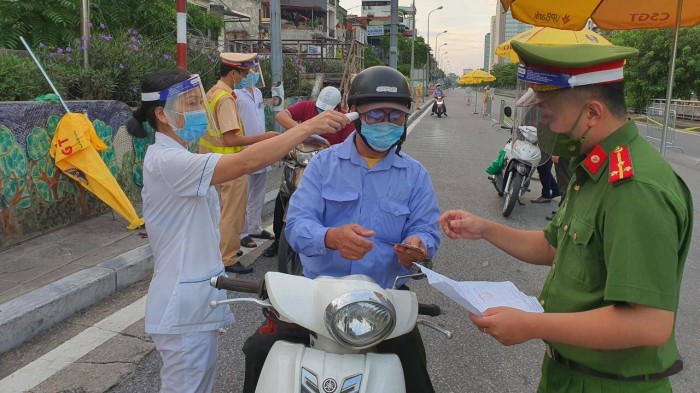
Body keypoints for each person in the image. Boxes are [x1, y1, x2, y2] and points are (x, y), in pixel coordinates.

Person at [439, 41, 692, 392]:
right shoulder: (594, 167)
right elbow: (552, 247)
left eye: (548, 115)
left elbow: (649, 323)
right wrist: (484, 229)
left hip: (612, 385)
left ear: (592, 113)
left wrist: (532, 325)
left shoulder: (636, 188)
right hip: (569, 375)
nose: (544, 126)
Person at [127, 69, 349, 393]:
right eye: (191, 104)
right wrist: (308, 128)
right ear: (162, 113)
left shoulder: (177, 155)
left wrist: (274, 139)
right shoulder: (167, 161)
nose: (200, 110)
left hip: (195, 302)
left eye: (197, 102)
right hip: (181, 307)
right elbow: (243, 163)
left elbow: (244, 156)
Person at [243, 66, 442, 393]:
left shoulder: (415, 175)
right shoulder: (324, 164)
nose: (386, 124)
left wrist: (419, 245)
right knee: (259, 351)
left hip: (383, 300)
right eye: (376, 114)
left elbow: (427, 229)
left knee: (415, 374)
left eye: (396, 116)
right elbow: (296, 225)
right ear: (357, 115)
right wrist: (330, 238)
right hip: (316, 296)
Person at [198, 53, 278, 274]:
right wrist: (264, 138)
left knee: (221, 211)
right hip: (229, 162)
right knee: (232, 212)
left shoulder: (213, 92)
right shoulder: (225, 99)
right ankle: (228, 258)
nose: (246, 77)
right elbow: (230, 138)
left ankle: (222, 251)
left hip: (214, 161)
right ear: (233, 73)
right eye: (243, 73)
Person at [262, 86, 355, 257]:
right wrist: (304, 131)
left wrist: (330, 148)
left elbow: (349, 146)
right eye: (319, 109)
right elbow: (281, 116)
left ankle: (323, 239)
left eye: (325, 110)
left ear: (337, 108)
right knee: (282, 198)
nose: (320, 113)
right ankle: (277, 242)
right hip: (300, 165)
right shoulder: (307, 107)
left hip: (327, 170)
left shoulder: (344, 120)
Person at [234, 67, 275, 249]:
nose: (253, 74)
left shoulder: (258, 92)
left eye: (254, 70)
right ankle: (241, 232)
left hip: (261, 148)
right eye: (249, 70)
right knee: (243, 193)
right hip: (244, 149)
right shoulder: (235, 94)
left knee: (259, 190)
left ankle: (255, 227)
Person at [546, 155, 572, 221]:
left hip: (564, 153)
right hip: (569, 153)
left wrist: (557, 153)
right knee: (567, 181)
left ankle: (562, 212)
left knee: (564, 183)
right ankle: (563, 210)